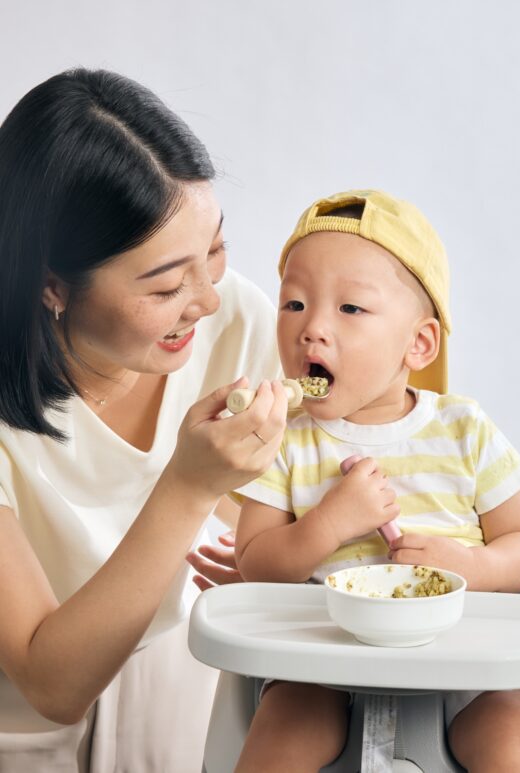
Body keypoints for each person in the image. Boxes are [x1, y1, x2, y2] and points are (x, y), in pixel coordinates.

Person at [0, 68, 290, 772]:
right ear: (51, 284)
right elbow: (50, 682)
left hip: (180, 683)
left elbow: (273, 552)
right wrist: (189, 487)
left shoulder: (238, 319)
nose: (208, 301)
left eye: (214, 251)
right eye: (165, 285)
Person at [231, 190, 520, 773]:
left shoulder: (464, 429)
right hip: (323, 661)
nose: (312, 330)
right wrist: (329, 524)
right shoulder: (286, 438)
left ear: (419, 343)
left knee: (509, 723)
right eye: (294, 304)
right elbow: (254, 564)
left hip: (465, 654)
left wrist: (472, 566)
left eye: (350, 309)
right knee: (287, 726)